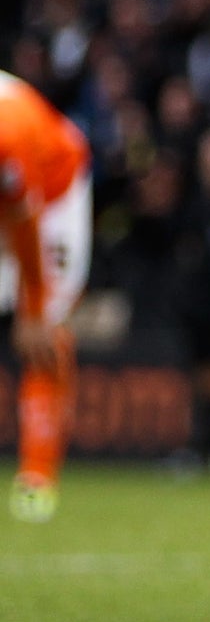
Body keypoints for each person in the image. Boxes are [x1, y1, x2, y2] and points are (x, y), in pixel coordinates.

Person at [2, 72, 92, 522]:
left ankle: (37, 475)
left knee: (44, 332)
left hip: (55, 189)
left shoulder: (7, 132)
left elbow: (26, 221)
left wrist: (33, 307)